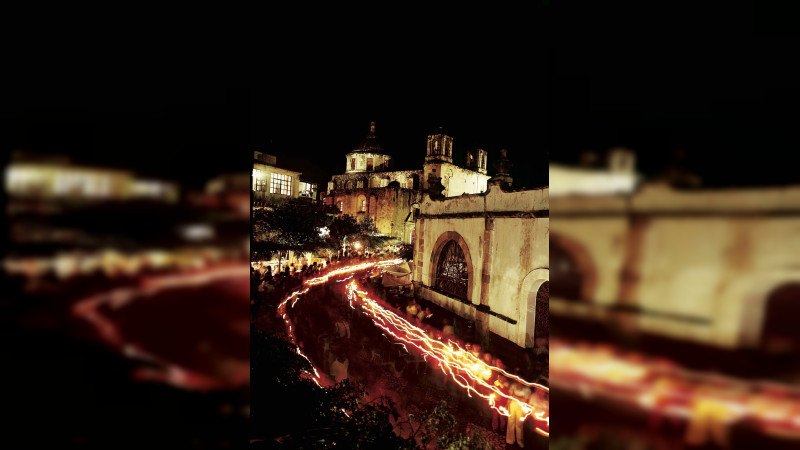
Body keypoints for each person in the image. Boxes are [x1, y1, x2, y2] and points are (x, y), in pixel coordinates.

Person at [507, 372, 532, 448]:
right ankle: (510, 439)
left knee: (519, 424)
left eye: (520, 379)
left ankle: (519, 441)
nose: (519, 381)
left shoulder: (527, 389)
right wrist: (507, 405)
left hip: (521, 407)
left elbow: (526, 400)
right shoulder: (513, 386)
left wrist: (516, 397)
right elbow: (510, 396)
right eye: (518, 379)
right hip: (512, 405)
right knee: (510, 422)